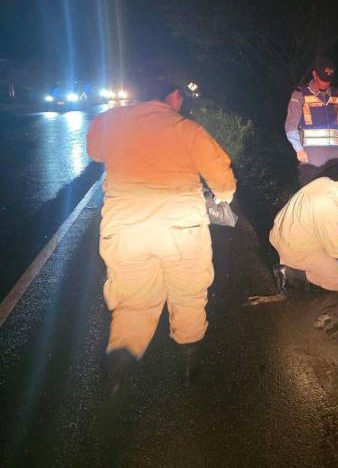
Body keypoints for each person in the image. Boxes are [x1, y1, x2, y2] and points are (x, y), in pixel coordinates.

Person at [86, 80, 236, 389]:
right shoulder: (186, 129)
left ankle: (119, 362)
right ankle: (189, 369)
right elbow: (223, 181)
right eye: (181, 97)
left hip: (125, 229)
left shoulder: (109, 120)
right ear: (173, 95)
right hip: (180, 229)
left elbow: (95, 151)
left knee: (134, 301)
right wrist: (224, 197)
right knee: (188, 295)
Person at [269, 174, 338, 291]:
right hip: (295, 248)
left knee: (331, 253)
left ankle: (298, 263)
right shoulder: (329, 209)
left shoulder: (327, 183)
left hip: (281, 232)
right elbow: (335, 250)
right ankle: (290, 272)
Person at [285, 57, 338, 187]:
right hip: (311, 155)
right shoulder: (300, 94)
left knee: (332, 192)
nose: (325, 83)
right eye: (322, 79)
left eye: (328, 80)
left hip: (333, 155)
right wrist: (298, 149)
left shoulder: (336, 94)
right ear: (314, 74)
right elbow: (290, 126)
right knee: (311, 192)